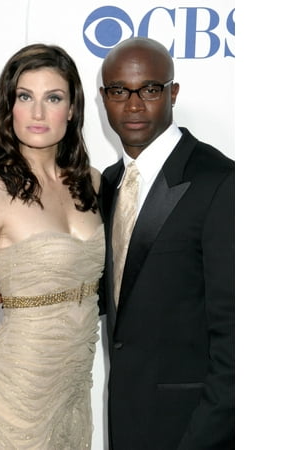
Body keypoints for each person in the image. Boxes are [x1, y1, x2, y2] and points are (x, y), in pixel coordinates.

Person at [0, 43, 105, 450]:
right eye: (24, 97)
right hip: (10, 400)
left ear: (71, 109)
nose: (37, 113)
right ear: (9, 106)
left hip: (73, 397)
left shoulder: (94, 184)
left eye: (53, 98)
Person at [98, 37, 234, 449]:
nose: (134, 105)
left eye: (150, 89)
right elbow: (121, 290)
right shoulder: (108, 182)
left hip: (192, 427)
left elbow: (238, 337)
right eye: (120, 91)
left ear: (172, 92)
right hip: (126, 420)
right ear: (105, 98)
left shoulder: (220, 181)